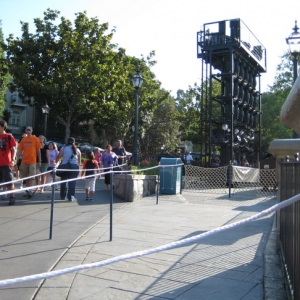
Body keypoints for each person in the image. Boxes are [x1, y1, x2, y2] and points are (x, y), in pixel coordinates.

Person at [16, 126, 41, 198]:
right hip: (24, 161)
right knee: (26, 177)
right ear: (25, 131)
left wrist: (39, 160)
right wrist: (16, 160)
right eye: (27, 130)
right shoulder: (23, 140)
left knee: (32, 176)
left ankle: (30, 190)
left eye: (30, 130)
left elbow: (38, 150)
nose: (28, 131)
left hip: (32, 161)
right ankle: (28, 190)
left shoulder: (35, 139)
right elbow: (20, 150)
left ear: (32, 131)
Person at [55, 137, 81, 202]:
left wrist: (55, 163)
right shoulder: (77, 150)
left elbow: (59, 156)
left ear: (67, 141)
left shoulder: (63, 148)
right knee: (72, 182)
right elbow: (79, 161)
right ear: (74, 142)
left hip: (65, 166)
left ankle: (63, 196)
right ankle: (71, 197)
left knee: (63, 181)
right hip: (74, 167)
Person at [0, 120, 17, 205]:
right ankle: (4, 194)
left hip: (6, 163)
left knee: (9, 181)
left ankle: (12, 196)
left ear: (2, 127)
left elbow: (14, 148)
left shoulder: (8, 136)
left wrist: (13, 159)